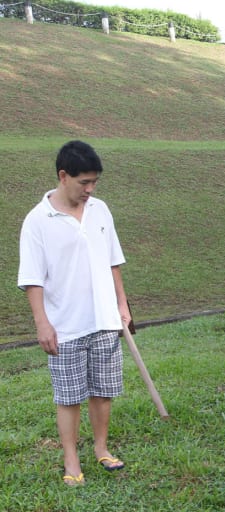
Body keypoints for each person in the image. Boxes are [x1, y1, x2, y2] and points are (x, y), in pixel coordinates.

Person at [18, 140, 130, 486]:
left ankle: (101, 448)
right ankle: (71, 458)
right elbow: (32, 279)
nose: (90, 189)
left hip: (104, 320)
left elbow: (113, 261)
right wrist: (43, 324)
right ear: (63, 176)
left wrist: (122, 305)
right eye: (84, 182)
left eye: (94, 182)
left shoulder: (100, 210)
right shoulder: (38, 220)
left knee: (103, 390)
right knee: (69, 397)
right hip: (65, 326)